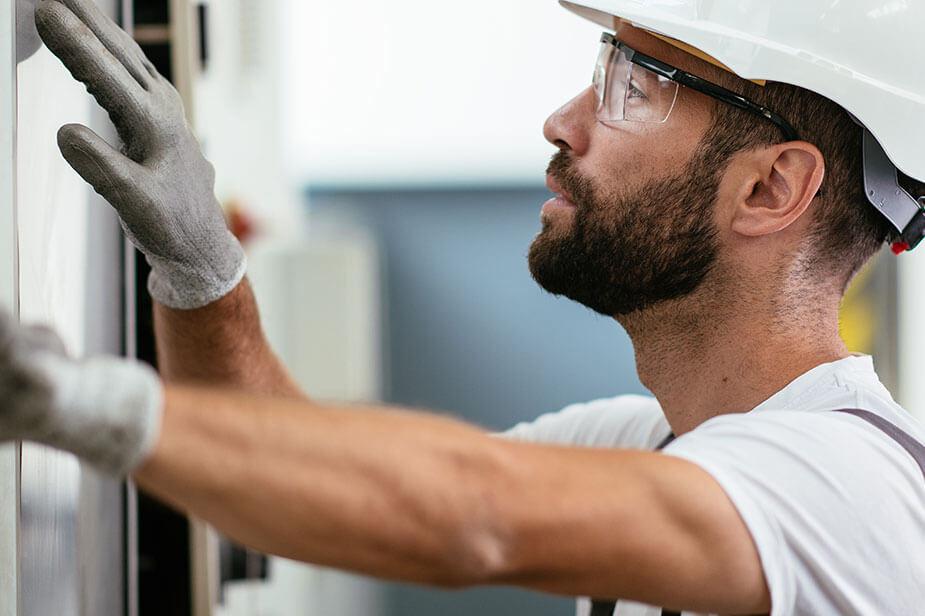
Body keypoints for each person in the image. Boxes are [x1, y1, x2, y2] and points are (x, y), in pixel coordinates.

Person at [3, 0, 924, 613]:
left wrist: (77, 399)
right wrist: (202, 269)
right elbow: (307, 476)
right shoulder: (648, 442)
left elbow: (469, 513)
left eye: (630, 85)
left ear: (770, 189)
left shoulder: (851, 488)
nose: (562, 122)